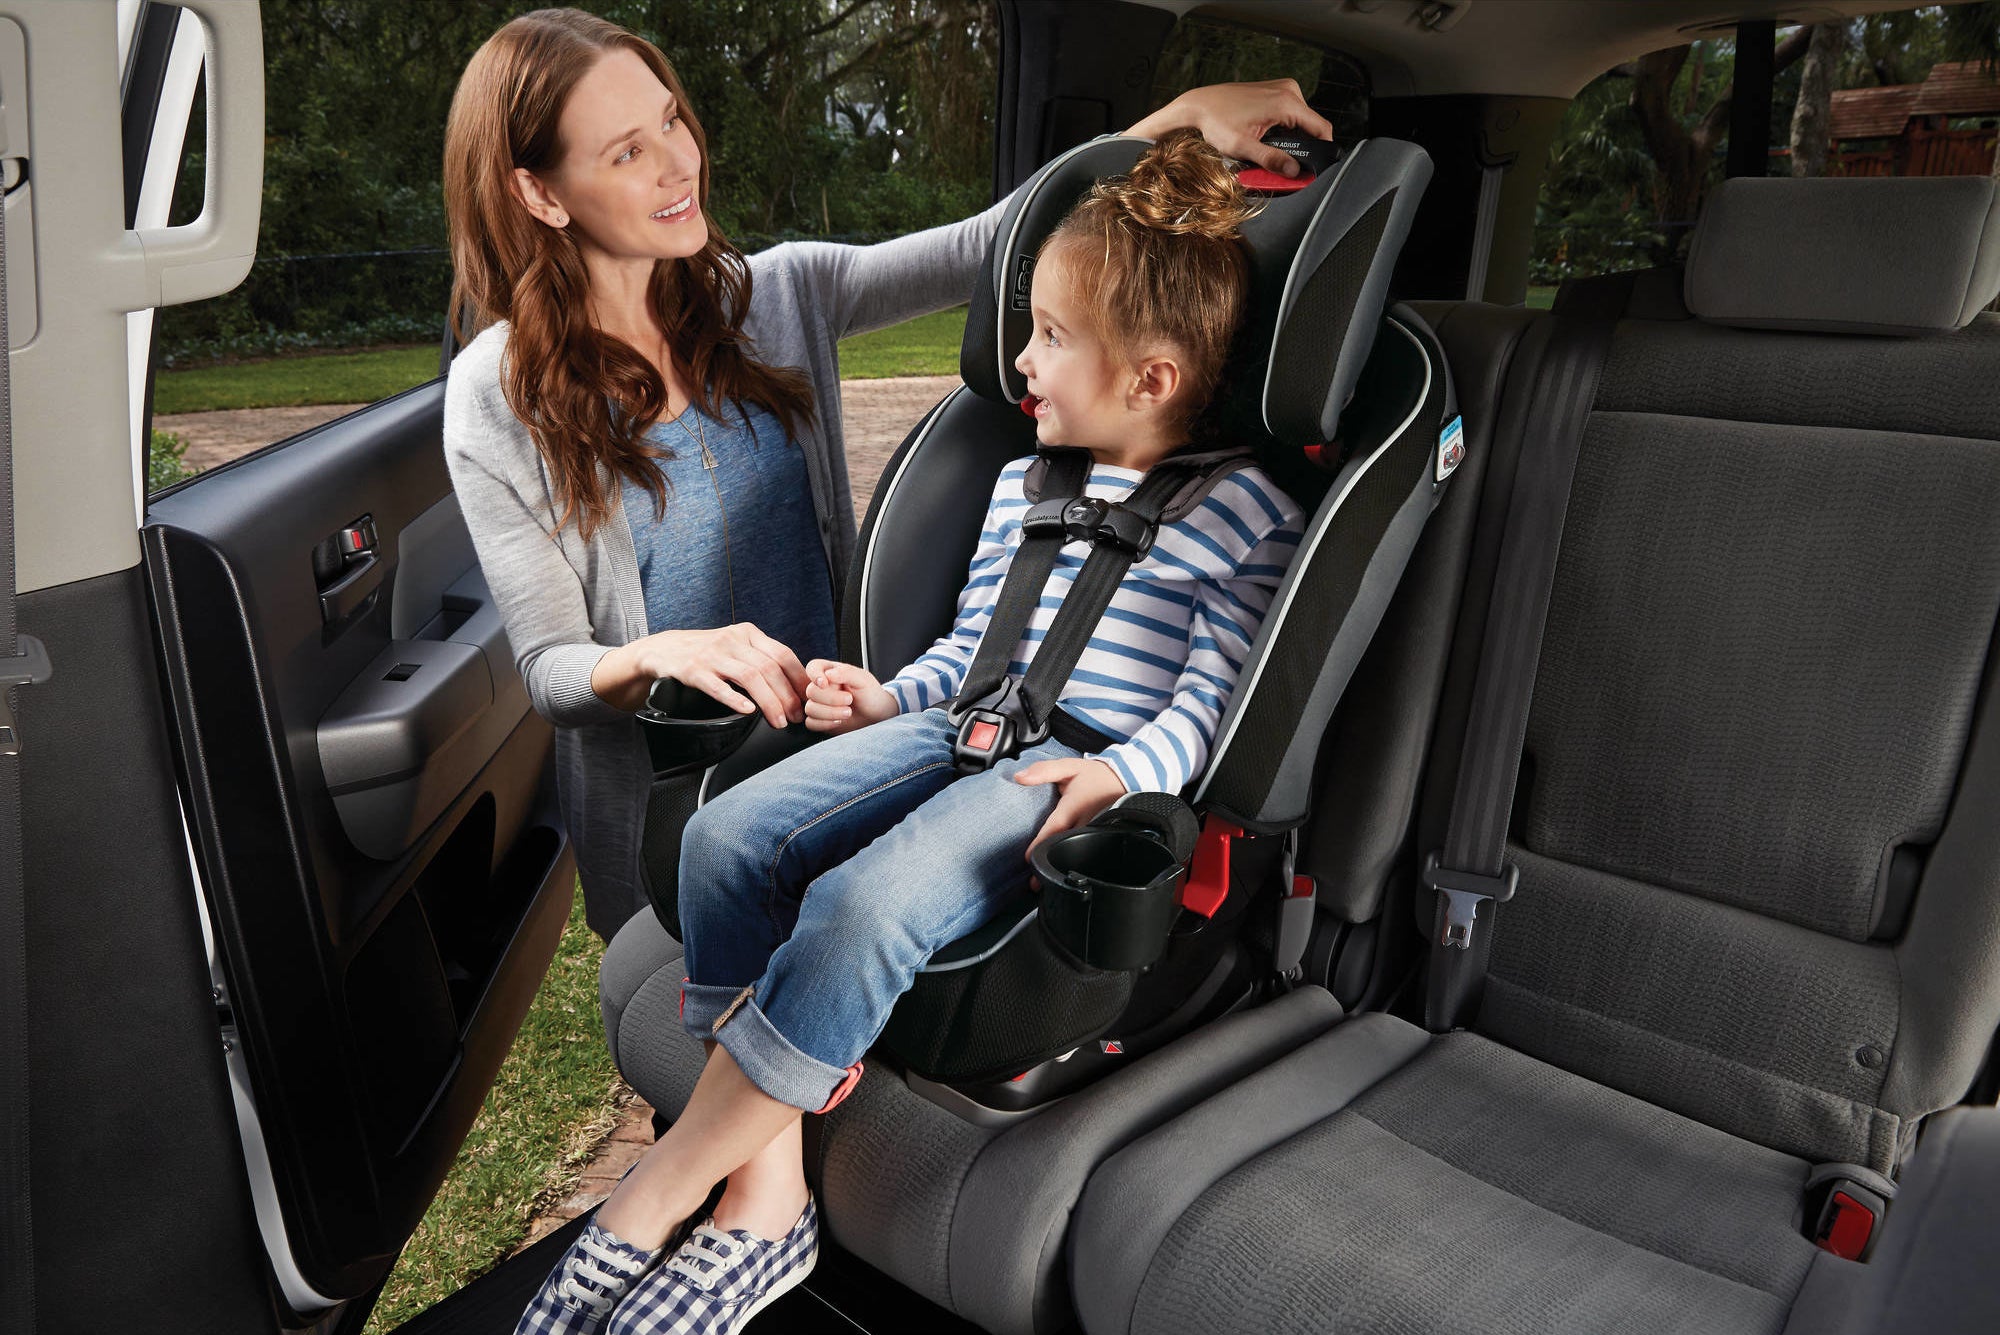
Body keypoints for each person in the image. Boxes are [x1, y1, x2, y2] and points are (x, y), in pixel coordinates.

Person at [437, 8, 1328, 1333]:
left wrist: (1165, 123)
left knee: (825, 930)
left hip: (836, 730)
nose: (679, 163)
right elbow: (558, 669)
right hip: (669, 774)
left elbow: (998, 243)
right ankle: (767, 1202)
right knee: (717, 875)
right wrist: (653, 654)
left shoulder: (770, 295)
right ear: (536, 191)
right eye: (627, 151)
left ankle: (699, 1206)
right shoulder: (494, 394)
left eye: (674, 119)